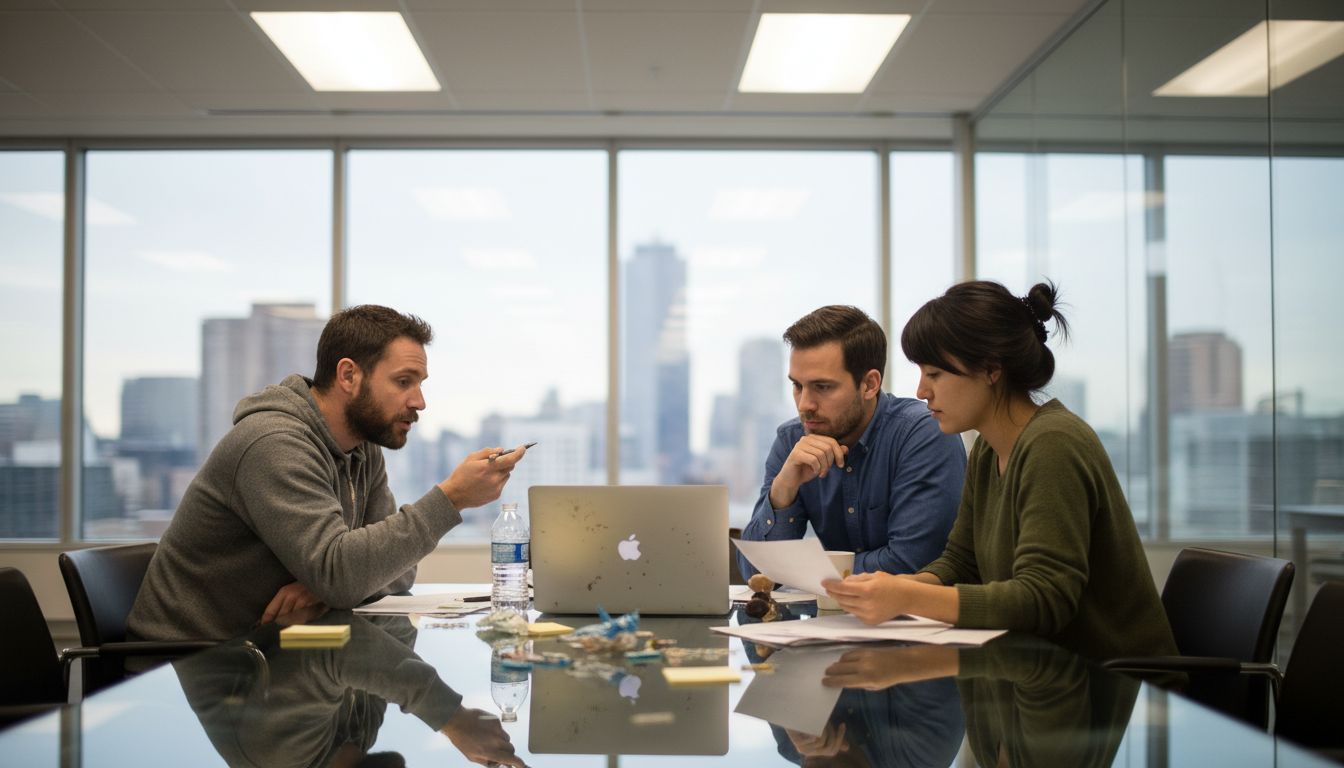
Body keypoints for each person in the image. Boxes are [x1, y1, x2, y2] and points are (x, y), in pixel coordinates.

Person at [128, 305, 529, 642]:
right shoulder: (272, 444)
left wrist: (330, 586)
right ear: (349, 376)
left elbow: (397, 570)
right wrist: (452, 498)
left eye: (420, 384)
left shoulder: (363, 450)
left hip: (270, 652)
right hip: (187, 667)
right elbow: (346, 575)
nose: (419, 401)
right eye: (404, 382)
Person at [824, 281, 1177, 660]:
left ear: (991, 369)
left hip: (1116, 689)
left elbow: (1043, 600)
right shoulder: (988, 451)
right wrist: (898, 586)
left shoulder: (1053, 444)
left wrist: (908, 595)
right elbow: (961, 562)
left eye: (935, 374)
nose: (922, 390)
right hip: (1036, 678)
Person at [737, 305, 966, 579]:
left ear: (869, 384)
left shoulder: (922, 434)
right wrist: (782, 491)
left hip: (917, 619)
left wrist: (801, 572)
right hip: (829, 617)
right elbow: (755, 574)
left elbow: (912, 563)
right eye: (798, 386)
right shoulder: (791, 441)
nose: (804, 405)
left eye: (823, 387)